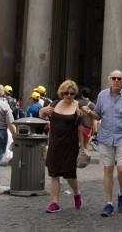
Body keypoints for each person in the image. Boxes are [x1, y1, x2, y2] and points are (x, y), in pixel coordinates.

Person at [83, 70, 122, 217]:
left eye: (119, 79)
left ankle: (121, 193)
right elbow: (98, 114)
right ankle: (108, 203)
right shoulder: (102, 95)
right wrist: (89, 112)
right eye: (114, 78)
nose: (116, 80)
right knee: (108, 169)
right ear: (109, 79)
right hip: (106, 137)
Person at [40, 80, 93, 212]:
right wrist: (43, 111)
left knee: (69, 175)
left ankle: (76, 193)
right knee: (54, 174)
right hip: (54, 143)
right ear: (61, 93)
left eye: (72, 93)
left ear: (75, 93)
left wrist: (83, 145)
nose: (69, 95)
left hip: (70, 145)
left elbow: (86, 125)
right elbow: (41, 117)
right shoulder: (54, 104)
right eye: (66, 93)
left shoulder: (78, 106)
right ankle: (54, 202)